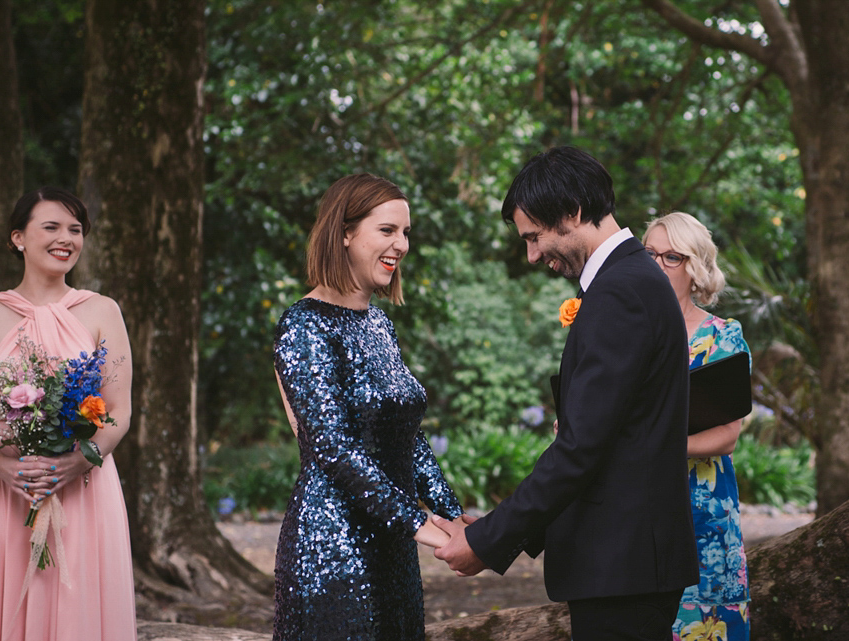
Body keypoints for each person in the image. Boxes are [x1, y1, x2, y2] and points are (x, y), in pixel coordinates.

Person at [432, 146, 699, 640]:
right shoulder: (632, 281)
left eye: (534, 237)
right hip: (629, 562)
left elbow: (581, 449)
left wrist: (489, 540)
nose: (532, 255)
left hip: (624, 567)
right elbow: (614, 440)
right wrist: (497, 525)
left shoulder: (620, 291)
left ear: (572, 212)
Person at [271, 173, 464, 640]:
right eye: (387, 230)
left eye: (406, 233)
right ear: (344, 233)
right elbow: (332, 447)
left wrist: (452, 515)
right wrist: (423, 525)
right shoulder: (304, 325)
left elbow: (407, 436)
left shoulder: (379, 324)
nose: (402, 244)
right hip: (334, 547)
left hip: (392, 548)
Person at [0, 187, 136, 641]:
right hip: (5, 489)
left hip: (85, 490)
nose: (65, 238)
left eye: (75, 229)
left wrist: (79, 459)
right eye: (51, 227)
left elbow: (119, 410)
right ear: (18, 238)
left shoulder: (103, 311)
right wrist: (1, 467)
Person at [642, 212, 751, 640]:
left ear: (695, 268)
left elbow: (728, 435)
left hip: (704, 517)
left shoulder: (723, 338)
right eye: (648, 254)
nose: (655, 266)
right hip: (638, 512)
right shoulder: (625, 333)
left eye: (670, 257)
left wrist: (655, 445)